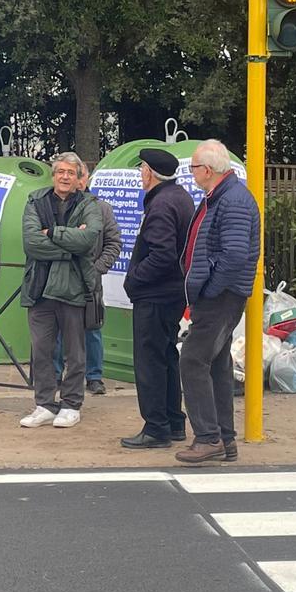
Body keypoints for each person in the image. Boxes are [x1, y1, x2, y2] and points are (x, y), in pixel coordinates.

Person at [175, 139, 260, 465]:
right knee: (217, 365)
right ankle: (225, 440)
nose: (192, 173)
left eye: (193, 167)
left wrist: (208, 288)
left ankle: (208, 438)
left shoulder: (231, 200)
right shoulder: (222, 197)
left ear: (207, 170)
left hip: (220, 297)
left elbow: (235, 255)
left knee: (193, 361)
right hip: (220, 295)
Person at [20, 151, 104, 429]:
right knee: (41, 350)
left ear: (80, 178)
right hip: (39, 287)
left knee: (75, 353)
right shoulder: (36, 200)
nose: (65, 177)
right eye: (60, 172)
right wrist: (71, 248)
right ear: (53, 175)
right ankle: (44, 403)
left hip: (75, 289)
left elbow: (89, 240)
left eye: (71, 173)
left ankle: (71, 404)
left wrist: (52, 233)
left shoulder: (90, 203)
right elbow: (31, 243)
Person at [119, 147, 195, 449]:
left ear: (149, 172)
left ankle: (156, 428)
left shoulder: (161, 204)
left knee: (150, 361)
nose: (140, 174)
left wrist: (134, 279)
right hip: (173, 293)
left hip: (155, 295)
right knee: (166, 357)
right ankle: (174, 422)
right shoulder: (180, 196)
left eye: (141, 169)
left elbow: (162, 255)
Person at [53, 161, 122, 394]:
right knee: (58, 327)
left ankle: (94, 377)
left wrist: (97, 268)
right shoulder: (56, 206)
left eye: (77, 175)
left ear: (85, 178)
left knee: (92, 327)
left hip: (89, 280)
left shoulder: (102, 209)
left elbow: (114, 242)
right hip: (60, 278)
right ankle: (55, 374)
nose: (74, 180)